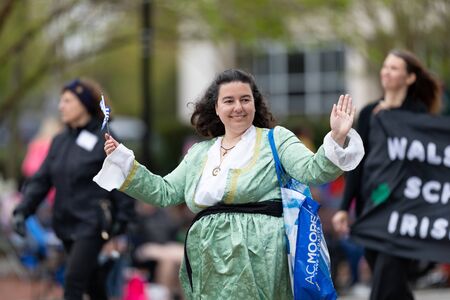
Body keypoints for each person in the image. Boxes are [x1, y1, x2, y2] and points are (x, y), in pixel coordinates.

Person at [94, 69, 365, 299]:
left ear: (255, 104)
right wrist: (125, 163)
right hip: (208, 256)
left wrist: (337, 137)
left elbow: (314, 171)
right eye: (229, 100)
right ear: (216, 107)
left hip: (260, 255)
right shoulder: (200, 152)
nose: (238, 107)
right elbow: (165, 193)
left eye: (245, 99)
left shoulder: (276, 140)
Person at [332, 49, 442, 300]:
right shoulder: (370, 113)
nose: (386, 72)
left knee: (387, 275)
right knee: (392, 281)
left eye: (394, 68)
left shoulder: (418, 114)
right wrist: (343, 207)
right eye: (385, 67)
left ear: (410, 78)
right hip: (371, 208)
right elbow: (357, 164)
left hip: (406, 208)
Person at [12, 78, 136, 300]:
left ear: (84, 104)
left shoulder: (105, 138)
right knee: (92, 283)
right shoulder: (59, 140)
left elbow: (122, 179)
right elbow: (41, 180)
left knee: (72, 282)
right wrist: (22, 210)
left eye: (68, 101)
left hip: (93, 223)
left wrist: (123, 220)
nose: (61, 106)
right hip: (65, 222)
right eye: (61, 101)